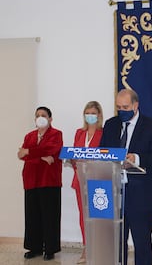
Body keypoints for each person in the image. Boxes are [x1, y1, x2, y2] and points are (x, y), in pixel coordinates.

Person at [100, 89, 152, 265]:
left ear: (136, 106)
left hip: (142, 195)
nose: (122, 111)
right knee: (116, 243)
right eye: (118, 107)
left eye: (125, 107)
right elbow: (102, 152)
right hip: (114, 194)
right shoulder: (111, 125)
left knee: (141, 243)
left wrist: (136, 159)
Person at [17, 106, 63, 261]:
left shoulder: (56, 134)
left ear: (50, 119)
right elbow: (21, 155)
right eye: (37, 115)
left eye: (43, 115)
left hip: (49, 180)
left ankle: (50, 248)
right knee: (32, 215)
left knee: (50, 216)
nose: (40, 117)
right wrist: (42, 156)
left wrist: (30, 152)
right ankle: (34, 247)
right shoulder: (29, 136)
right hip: (31, 179)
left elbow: (52, 149)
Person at [71, 101, 103, 263]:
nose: (90, 116)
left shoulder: (103, 133)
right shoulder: (79, 133)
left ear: (98, 115)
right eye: (87, 113)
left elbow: (105, 156)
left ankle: (98, 247)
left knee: (97, 217)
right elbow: (73, 153)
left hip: (96, 181)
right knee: (83, 216)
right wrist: (72, 158)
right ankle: (86, 248)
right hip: (79, 180)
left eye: (93, 113)